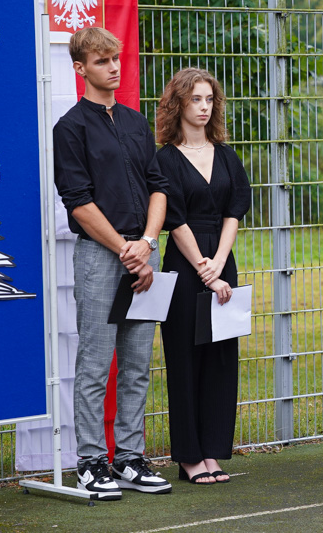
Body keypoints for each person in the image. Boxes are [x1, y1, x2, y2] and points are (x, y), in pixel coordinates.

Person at [53, 27, 172, 499]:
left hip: (145, 252)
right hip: (101, 257)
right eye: (102, 61)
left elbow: (158, 186)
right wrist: (126, 249)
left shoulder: (136, 122)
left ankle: (128, 458)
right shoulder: (70, 127)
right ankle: (89, 462)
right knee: (96, 362)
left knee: (139, 362)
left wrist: (146, 242)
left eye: (116, 59)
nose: (115, 68)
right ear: (80, 68)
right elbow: (77, 201)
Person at [155, 68, 251, 485]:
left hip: (221, 262)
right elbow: (172, 218)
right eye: (196, 99)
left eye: (209, 99)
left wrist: (219, 263)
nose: (204, 107)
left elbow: (234, 211)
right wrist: (203, 269)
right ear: (178, 103)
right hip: (184, 267)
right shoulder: (164, 158)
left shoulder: (227, 155)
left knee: (220, 360)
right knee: (184, 360)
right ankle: (189, 457)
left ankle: (212, 452)